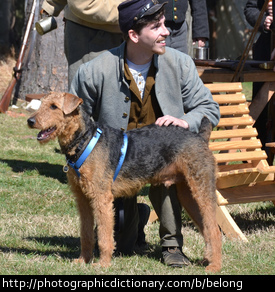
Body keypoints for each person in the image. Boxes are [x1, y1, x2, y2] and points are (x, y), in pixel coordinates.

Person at [70, 0, 220, 268]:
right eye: (156, 26)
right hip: (118, 163)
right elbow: (74, 116)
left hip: (167, 150)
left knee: (170, 171)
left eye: (164, 24)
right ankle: (136, 215)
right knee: (124, 244)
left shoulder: (181, 64)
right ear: (133, 35)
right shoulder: (95, 70)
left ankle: (172, 244)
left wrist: (185, 122)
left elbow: (209, 108)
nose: (167, 32)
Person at [41, 0, 125, 87]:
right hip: (92, 34)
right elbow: (83, 4)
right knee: (88, 95)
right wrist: (133, 11)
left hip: (123, 30)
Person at [244, 0, 273, 151]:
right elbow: (251, 8)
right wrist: (264, 21)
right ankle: (258, 159)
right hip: (265, 50)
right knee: (260, 112)